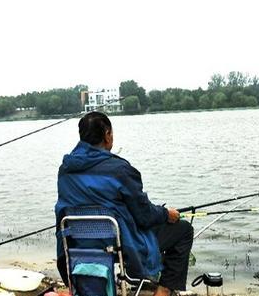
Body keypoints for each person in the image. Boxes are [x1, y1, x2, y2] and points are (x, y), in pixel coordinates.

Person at [55, 111, 193, 296]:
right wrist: (166, 213)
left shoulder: (65, 170)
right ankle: (163, 291)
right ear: (107, 134)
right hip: (119, 244)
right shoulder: (120, 170)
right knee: (183, 230)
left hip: (78, 243)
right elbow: (144, 216)